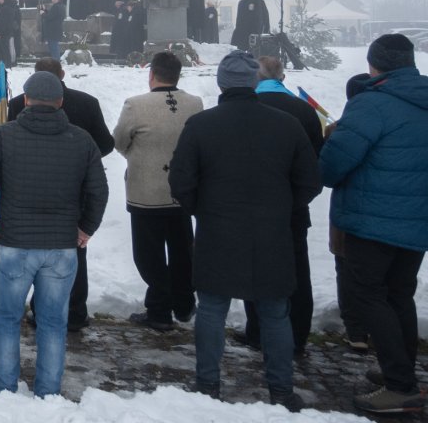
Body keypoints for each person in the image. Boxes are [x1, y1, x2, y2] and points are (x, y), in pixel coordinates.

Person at [168, 51, 320, 411]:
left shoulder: (202, 125)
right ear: (254, 82)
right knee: (274, 312)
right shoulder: (287, 124)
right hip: (272, 232)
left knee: (212, 310)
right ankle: (281, 391)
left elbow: (181, 181)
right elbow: (310, 182)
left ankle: (208, 385)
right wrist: (282, 208)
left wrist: (203, 209)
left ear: (221, 83)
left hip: (218, 229)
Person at [0, 70, 108, 397]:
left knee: (6, 319)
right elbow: (99, 191)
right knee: (53, 323)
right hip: (62, 248)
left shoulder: (4, 137)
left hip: (15, 244)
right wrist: (85, 228)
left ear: (27, 100)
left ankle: (4, 388)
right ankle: (48, 392)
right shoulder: (82, 140)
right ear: (60, 102)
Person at [319, 34, 428, 414]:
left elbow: (333, 166)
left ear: (374, 64)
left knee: (367, 294)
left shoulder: (370, 103)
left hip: (371, 220)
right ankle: (399, 371)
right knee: (399, 295)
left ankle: (400, 386)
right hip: (416, 220)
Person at [7, 57, 113, 330]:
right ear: (62, 74)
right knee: (74, 250)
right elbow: (105, 144)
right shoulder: (86, 102)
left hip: (28, 187)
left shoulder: (20, 103)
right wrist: (82, 162)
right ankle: (75, 311)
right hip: (74, 188)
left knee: (33, 252)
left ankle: (41, 309)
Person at [113, 51, 204, 330]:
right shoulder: (195, 103)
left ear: (151, 74)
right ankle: (183, 302)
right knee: (182, 250)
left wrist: (138, 156)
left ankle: (160, 308)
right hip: (183, 191)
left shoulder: (135, 105)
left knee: (148, 255)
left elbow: (119, 141)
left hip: (146, 190)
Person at [243, 56, 324, 354]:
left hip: (251, 203)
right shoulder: (304, 110)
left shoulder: (247, 107)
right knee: (297, 270)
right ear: (283, 78)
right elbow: (314, 162)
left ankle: (256, 331)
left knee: (254, 268)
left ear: (255, 79)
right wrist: (297, 199)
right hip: (291, 205)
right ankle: (298, 333)